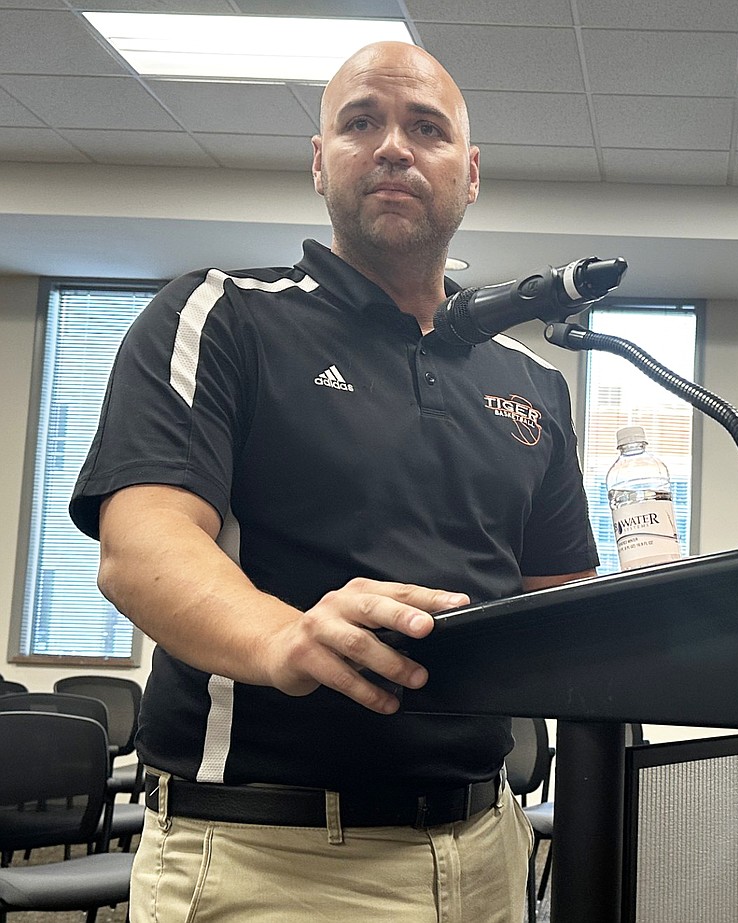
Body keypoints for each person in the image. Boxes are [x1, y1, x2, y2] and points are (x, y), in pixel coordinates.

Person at [69, 41, 598, 922]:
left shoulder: (533, 381)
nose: (393, 145)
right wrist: (289, 639)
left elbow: (562, 602)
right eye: (361, 122)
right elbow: (143, 545)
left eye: (426, 128)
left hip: (487, 849)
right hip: (266, 857)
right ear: (320, 163)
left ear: (470, 175)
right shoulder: (220, 313)